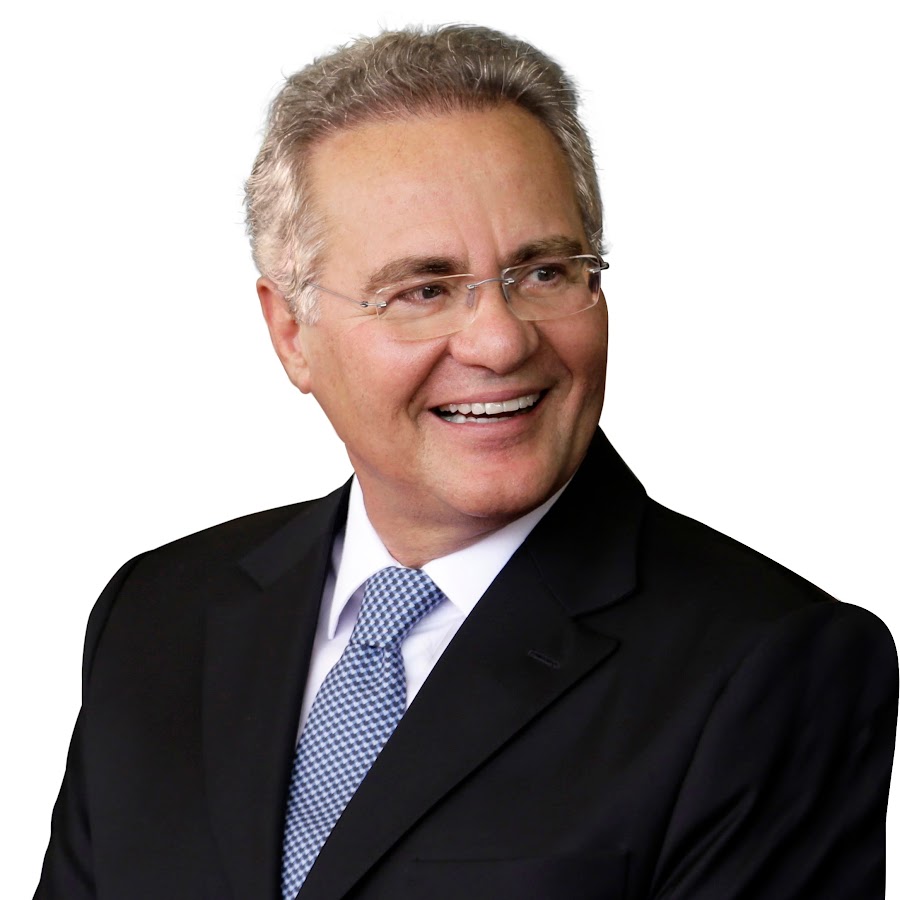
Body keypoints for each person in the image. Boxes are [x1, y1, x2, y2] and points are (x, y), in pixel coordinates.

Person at [35, 23, 897, 900]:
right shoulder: (156, 617)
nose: (499, 341)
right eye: (424, 290)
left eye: (545, 273)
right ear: (292, 332)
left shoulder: (774, 666)